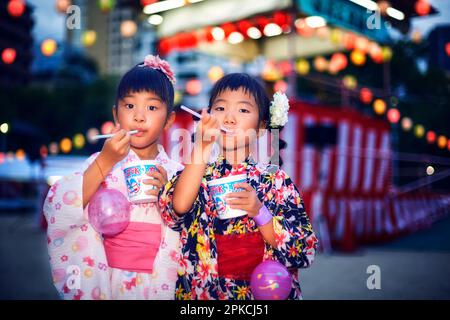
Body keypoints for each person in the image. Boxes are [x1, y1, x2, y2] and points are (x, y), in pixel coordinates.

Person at [159, 73, 318, 300]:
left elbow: (305, 250)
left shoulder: (275, 181)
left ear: (262, 126)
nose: (229, 119)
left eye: (243, 110)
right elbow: (176, 210)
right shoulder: (196, 174)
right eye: (221, 108)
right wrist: (202, 148)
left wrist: (259, 212)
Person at [44, 55, 183, 300]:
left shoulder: (176, 172)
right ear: (116, 113)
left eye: (152, 107)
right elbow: (61, 206)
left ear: (169, 119)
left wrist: (170, 195)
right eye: (130, 106)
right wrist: (106, 160)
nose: (139, 116)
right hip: (109, 276)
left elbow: (190, 228)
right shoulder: (102, 161)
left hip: (160, 279)